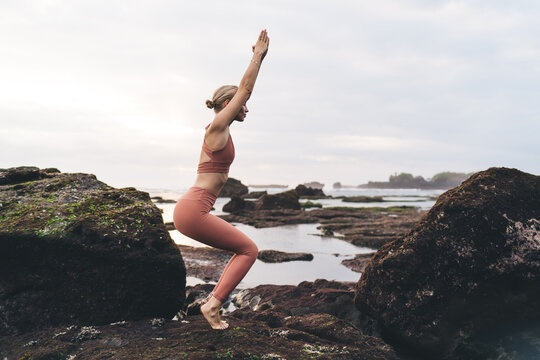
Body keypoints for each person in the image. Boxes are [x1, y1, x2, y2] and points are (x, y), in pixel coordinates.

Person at [173, 29, 270, 330]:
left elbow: (243, 93)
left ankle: (214, 303)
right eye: (241, 104)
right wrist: (258, 57)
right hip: (194, 209)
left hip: (196, 207)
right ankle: (213, 306)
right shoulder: (216, 126)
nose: (247, 108)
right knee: (250, 250)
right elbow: (245, 88)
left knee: (241, 250)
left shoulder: (219, 130)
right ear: (229, 103)